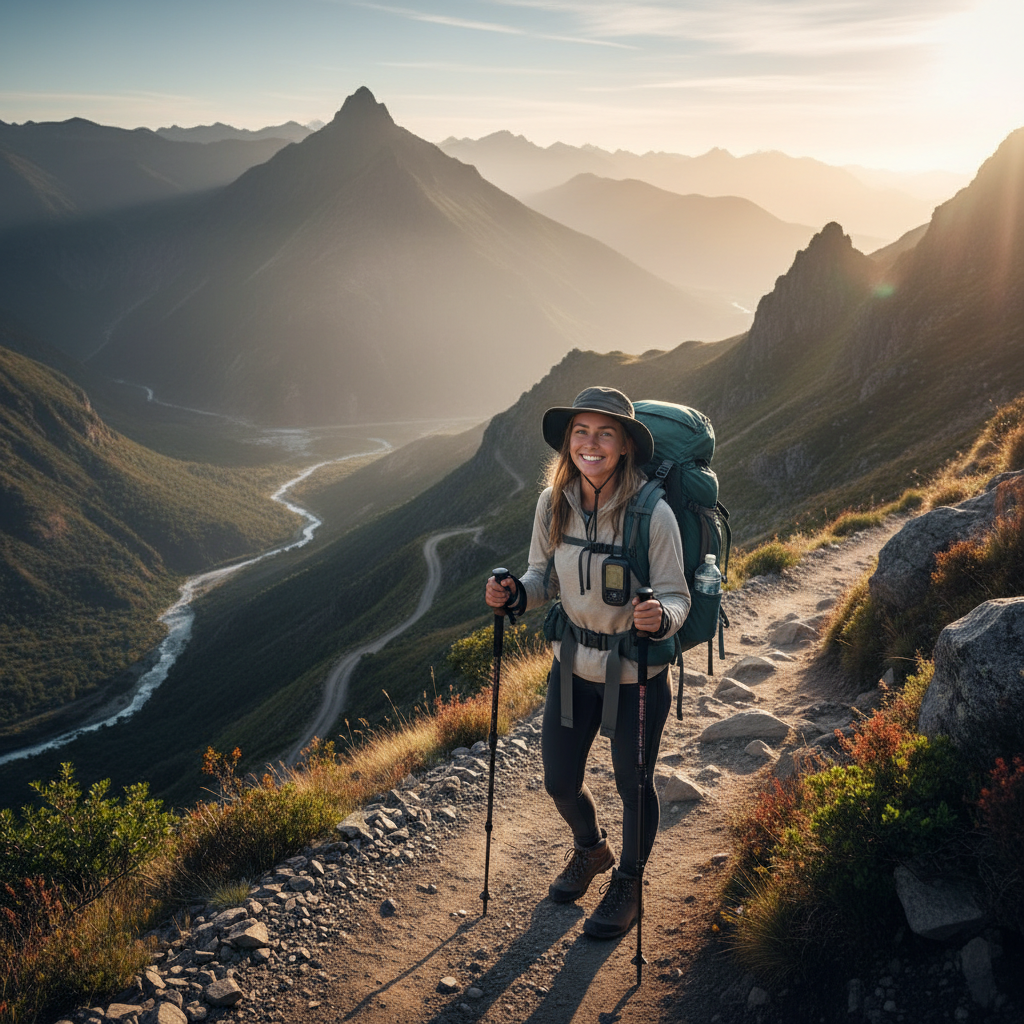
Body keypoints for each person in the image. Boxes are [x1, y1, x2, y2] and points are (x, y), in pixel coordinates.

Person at [485, 386, 690, 939]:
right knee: (559, 780)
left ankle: (630, 878)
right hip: (573, 666)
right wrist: (514, 595)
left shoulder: (654, 513)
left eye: (605, 433)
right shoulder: (553, 503)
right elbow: (541, 577)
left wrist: (660, 618)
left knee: (633, 782)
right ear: (567, 442)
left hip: (636, 674)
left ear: (625, 445)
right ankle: (592, 850)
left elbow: (677, 595)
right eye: (581, 432)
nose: (591, 444)